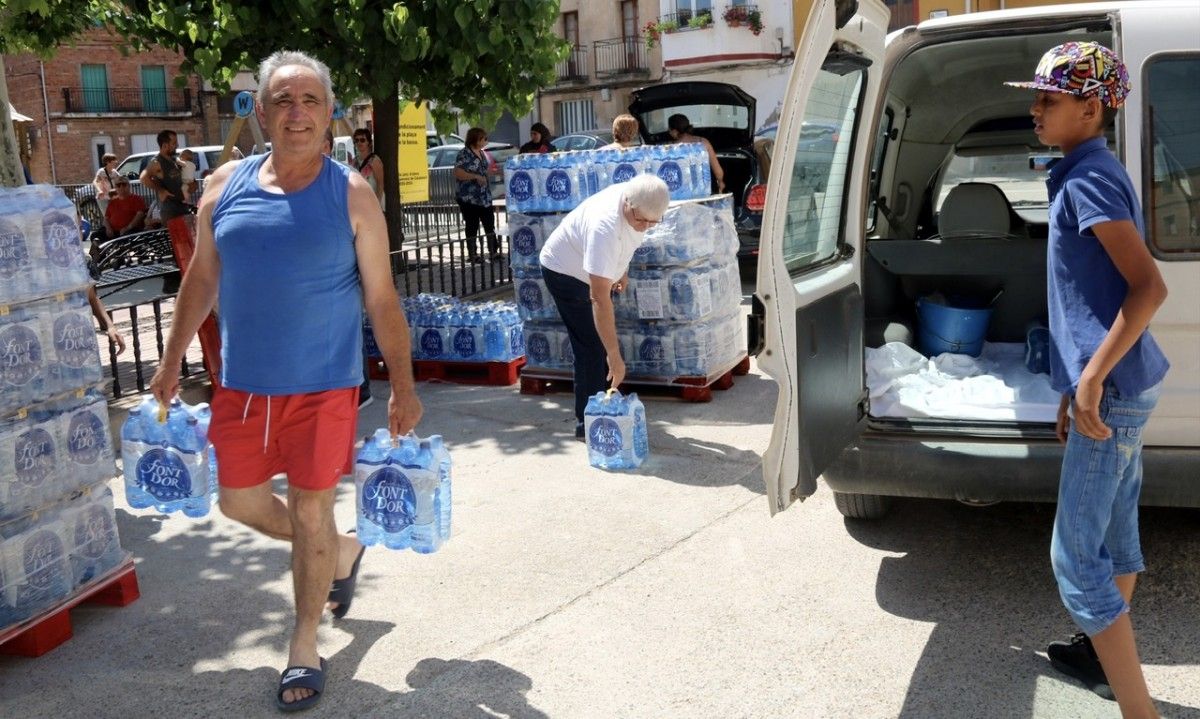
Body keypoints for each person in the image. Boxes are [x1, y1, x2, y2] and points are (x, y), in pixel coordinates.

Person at [148, 50, 422, 712]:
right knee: (237, 502)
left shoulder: (352, 193)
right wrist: (168, 360)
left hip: (323, 385)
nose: (296, 113)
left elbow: (383, 300)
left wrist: (404, 386)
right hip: (241, 387)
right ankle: (342, 550)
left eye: (309, 101)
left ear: (329, 114)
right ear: (262, 112)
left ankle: (304, 640)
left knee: (309, 507)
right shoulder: (222, 187)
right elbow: (202, 279)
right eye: (282, 101)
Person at [1006, 42, 1170, 719]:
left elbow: (1148, 286)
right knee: (1112, 541)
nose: (1035, 108)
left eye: (1048, 98)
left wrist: (1094, 378)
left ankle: (1140, 712)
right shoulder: (1083, 170)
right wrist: (1080, 384)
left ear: (1091, 106)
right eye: (1036, 96)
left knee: (1077, 563)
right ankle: (1103, 663)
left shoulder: (1089, 179)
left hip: (1119, 390)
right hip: (1122, 388)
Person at [538, 174, 669, 439]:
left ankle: (602, 406)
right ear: (627, 205)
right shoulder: (604, 227)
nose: (644, 227)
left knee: (600, 340)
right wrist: (615, 355)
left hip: (589, 267)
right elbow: (599, 297)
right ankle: (588, 424)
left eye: (652, 222)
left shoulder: (639, 199)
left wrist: (621, 270)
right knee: (592, 346)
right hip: (564, 272)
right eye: (640, 220)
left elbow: (627, 243)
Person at [453, 127, 500, 264]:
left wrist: (497, 173)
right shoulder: (464, 154)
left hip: (484, 197)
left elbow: (484, 171)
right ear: (476, 139)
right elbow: (457, 172)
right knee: (472, 225)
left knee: (489, 224)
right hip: (469, 197)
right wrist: (475, 177)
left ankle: (493, 252)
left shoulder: (481, 153)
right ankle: (473, 254)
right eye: (484, 138)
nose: (486, 140)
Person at [140, 129, 189, 223]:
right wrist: (161, 190)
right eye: (174, 143)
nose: (177, 145)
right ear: (164, 145)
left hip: (182, 205)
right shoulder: (156, 162)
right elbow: (143, 178)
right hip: (170, 210)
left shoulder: (173, 159)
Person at [667, 113, 725, 193]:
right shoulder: (704, 142)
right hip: (703, 192)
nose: (669, 132)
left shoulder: (670, 148)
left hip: (681, 193)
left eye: (669, 130)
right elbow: (717, 170)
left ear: (674, 131)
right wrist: (721, 182)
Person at [352, 128, 385, 208]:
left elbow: (380, 184)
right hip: (361, 204)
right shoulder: (354, 161)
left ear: (368, 143)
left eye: (362, 140)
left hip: (375, 203)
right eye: (356, 140)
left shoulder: (374, 160)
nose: (359, 142)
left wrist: (376, 205)